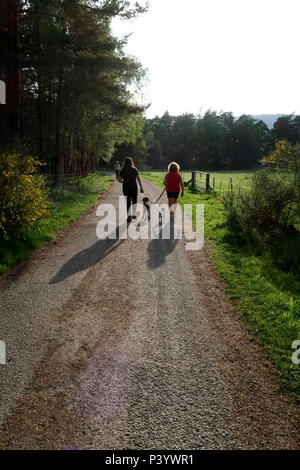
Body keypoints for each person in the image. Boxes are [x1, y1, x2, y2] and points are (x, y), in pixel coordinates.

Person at [119, 157, 144, 223]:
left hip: (125, 187)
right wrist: (141, 188)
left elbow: (119, 180)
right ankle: (133, 214)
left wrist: (124, 181)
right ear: (131, 162)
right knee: (134, 201)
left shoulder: (122, 170)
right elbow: (138, 179)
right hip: (134, 187)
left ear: (124, 163)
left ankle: (129, 216)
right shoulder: (134, 169)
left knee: (128, 202)